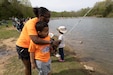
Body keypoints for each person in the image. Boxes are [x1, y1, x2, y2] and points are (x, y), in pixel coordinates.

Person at [16, 7, 53, 75]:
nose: (48, 20)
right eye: (47, 17)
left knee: (40, 65)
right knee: (28, 67)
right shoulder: (31, 23)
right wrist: (50, 42)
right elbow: (35, 40)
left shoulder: (42, 23)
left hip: (32, 47)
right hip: (23, 47)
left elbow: (44, 35)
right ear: (41, 16)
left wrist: (50, 43)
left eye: (49, 17)